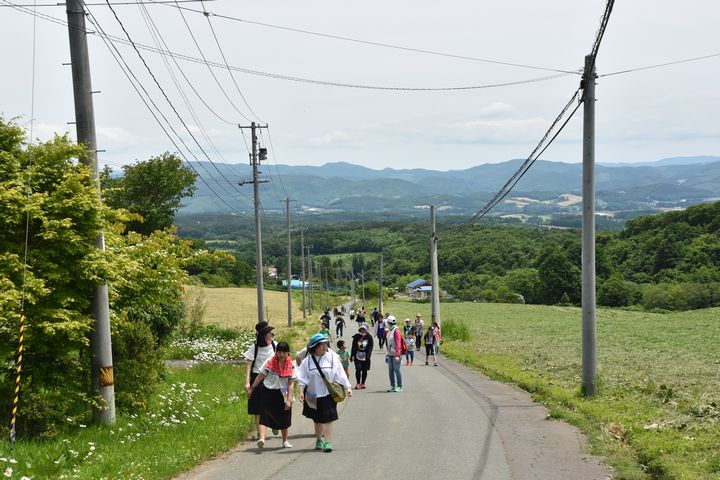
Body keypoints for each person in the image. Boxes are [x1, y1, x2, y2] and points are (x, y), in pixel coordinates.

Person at [297, 333, 352, 453]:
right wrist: (301, 391)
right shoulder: (307, 361)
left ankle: (327, 441)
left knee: (328, 418)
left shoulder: (332, 358)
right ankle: (318, 440)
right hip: (312, 395)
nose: (324, 346)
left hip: (328, 394)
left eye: (325, 344)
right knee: (317, 419)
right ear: (314, 347)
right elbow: (302, 378)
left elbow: (340, 374)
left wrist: (348, 387)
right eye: (321, 345)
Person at [248, 341, 296, 449]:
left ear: (288, 353)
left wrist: (289, 399)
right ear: (276, 352)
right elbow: (260, 376)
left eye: (284, 352)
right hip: (268, 390)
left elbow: (291, 383)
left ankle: (285, 441)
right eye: (279, 352)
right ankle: (262, 439)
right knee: (264, 414)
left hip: (283, 392)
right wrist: (252, 389)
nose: (281, 355)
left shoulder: (291, 365)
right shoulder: (270, 361)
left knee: (284, 416)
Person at [243, 323, 277, 439]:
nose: (271, 335)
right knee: (258, 408)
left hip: (272, 378)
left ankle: (274, 424)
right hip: (257, 378)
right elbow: (249, 366)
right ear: (263, 335)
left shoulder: (274, 345)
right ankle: (259, 433)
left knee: (273, 404)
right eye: (268, 333)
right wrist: (247, 382)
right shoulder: (254, 348)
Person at [350, 323, 374, 389]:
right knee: (358, 368)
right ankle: (358, 383)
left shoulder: (369, 337)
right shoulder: (356, 336)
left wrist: (368, 355)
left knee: (364, 370)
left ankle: (363, 383)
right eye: (361, 329)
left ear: (366, 330)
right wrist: (352, 355)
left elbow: (371, 346)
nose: (362, 330)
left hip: (366, 356)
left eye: (364, 329)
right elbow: (353, 346)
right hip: (357, 354)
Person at [384, 315, 403, 392]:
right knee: (390, 370)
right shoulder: (389, 330)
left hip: (396, 354)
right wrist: (387, 354)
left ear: (389, 322)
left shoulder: (396, 330)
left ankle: (399, 386)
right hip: (390, 354)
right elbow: (388, 343)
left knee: (397, 369)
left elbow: (398, 344)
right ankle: (392, 386)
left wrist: (398, 355)